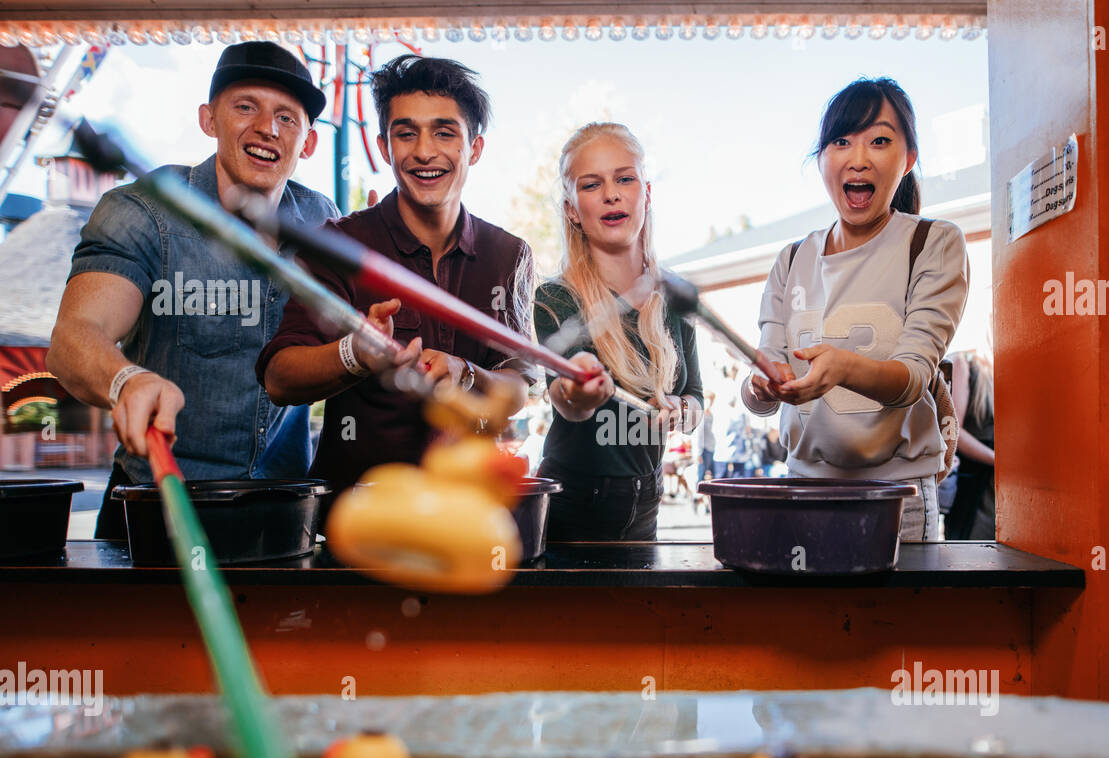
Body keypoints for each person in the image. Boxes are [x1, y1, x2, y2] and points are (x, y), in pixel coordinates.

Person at [47, 42, 337, 538]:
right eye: (246, 106)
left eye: (287, 117)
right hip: (158, 505)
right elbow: (75, 337)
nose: (267, 127)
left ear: (307, 143)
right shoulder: (141, 210)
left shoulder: (325, 221)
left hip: (284, 513)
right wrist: (126, 381)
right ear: (209, 119)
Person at [258, 55, 535, 498]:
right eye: (406, 134)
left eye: (445, 133)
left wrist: (466, 372)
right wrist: (356, 353)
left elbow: (518, 387)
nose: (424, 151)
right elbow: (279, 378)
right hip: (357, 521)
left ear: (475, 148)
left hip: (469, 511)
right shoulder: (339, 244)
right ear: (386, 148)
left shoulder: (510, 254)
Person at [740, 77, 968, 541]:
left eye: (879, 141)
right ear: (823, 159)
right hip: (803, 488)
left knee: (899, 617)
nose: (858, 158)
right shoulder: (790, 259)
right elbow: (757, 391)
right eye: (841, 141)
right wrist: (763, 385)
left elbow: (912, 378)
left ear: (908, 160)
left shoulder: (933, 243)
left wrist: (843, 368)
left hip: (898, 499)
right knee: (812, 617)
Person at [533, 122, 704, 541]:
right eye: (591, 185)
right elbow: (566, 403)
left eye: (625, 178)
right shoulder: (554, 299)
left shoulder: (675, 297)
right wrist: (580, 392)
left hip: (647, 504)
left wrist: (684, 412)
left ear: (646, 194)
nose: (611, 193)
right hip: (570, 508)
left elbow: (696, 397)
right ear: (572, 209)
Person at [946, 343, 995, 539]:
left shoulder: (1006, 368)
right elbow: (954, 431)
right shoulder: (963, 361)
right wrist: (999, 460)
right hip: (973, 484)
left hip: (1000, 483)